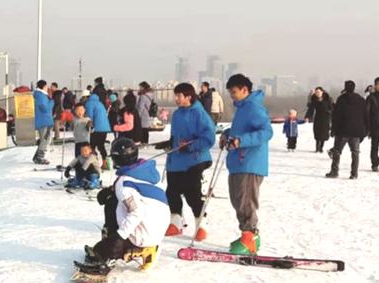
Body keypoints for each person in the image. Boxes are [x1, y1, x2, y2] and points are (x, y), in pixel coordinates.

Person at [84, 137, 170, 272]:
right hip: (158, 231)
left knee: (99, 250)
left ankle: (123, 248)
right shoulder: (147, 172)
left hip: (143, 234)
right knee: (114, 198)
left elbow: (137, 211)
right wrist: (111, 190)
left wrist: (119, 238)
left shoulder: (123, 183)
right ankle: (149, 248)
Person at [219, 74, 273, 255]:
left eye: (234, 92)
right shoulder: (242, 109)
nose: (231, 96)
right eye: (230, 92)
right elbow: (240, 130)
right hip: (238, 162)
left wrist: (240, 141)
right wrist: (227, 135)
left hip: (250, 162)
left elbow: (266, 132)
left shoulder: (253, 107)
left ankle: (251, 237)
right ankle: (246, 234)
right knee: (238, 200)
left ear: (244, 89)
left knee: (245, 201)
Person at [155, 83, 215, 239]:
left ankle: (202, 223)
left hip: (195, 159)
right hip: (176, 160)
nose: (175, 98)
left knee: (192, 193)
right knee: (172, 192)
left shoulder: (199, 114)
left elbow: (209, 138)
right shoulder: (177, 114)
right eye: (175, 95)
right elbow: (176, 136)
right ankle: (176, 222)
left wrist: (190, 146)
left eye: (178, 95)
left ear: (188, 97)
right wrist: (169, 143)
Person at [326, 81, 368, 179]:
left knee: (337, 151)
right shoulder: (360, 99)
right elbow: (366, 115)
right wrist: (365, 130)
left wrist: (333, 129)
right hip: (356, 131)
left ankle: (334, 172)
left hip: (342, 130)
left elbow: (336, 116)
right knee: (355, 152)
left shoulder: (341, 99)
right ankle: (354, 173)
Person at [84, 94, 112, 169]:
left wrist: (88, 126)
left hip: (97, 128)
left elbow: (89, 116)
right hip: (105, 127)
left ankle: (92, 163)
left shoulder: (89, 103)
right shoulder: (100, 103)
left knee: (92, 146)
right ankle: (105, 163)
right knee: (101, 145)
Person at [304, 87, 333, 153]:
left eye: (319, 92)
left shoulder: (327, 99)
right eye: (316, 92)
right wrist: (308, 116)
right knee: (317, 133)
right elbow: (311, 109)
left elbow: (332, 108)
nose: (317, 93)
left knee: (324, 134)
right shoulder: (314, 100)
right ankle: (317, 147)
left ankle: (321, 147)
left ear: (322, 92)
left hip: (326, 118)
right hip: (318, 118)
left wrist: (331, 114)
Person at [33, 80, 54, 165]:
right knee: (45, 139)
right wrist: (52, 102)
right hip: (44, 120)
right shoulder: (41, 96)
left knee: (44, 139)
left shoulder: (40, 95)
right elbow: (45, 108)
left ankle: (37, 156)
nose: (47, 88)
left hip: (44, 120)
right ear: (43, 86)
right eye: (46, 86)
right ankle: (39, 157)